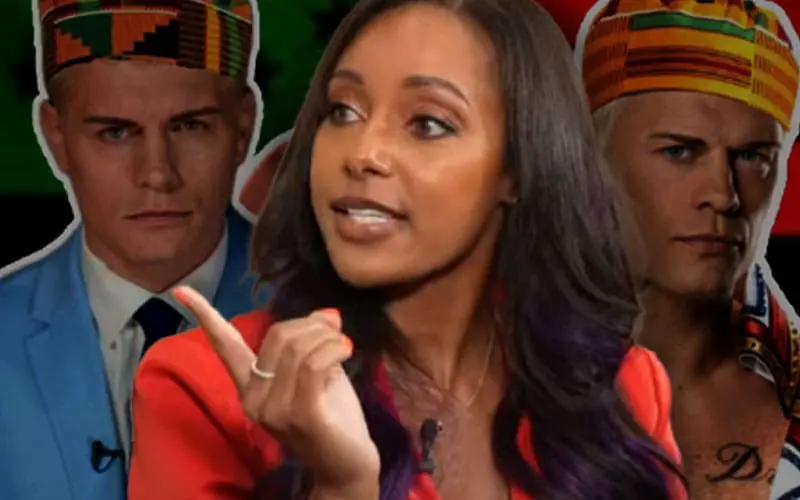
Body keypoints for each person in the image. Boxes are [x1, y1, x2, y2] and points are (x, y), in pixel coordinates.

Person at [129, 0, 687, 498]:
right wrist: (341, 488)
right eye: (342, 111)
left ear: (518, 168)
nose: (362, 153)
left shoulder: (624, 388)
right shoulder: (201, 387)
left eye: (427, 123)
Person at [0, 1, 263, 499]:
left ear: (243, 127)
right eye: (115, 133)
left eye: (190, 126)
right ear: (57, 137)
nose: (157, 174)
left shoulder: (340, 322)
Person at [577, 0, 800, 498]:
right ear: (593, 163)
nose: (723, 193)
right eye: (679, 151)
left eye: (752, 157)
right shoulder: (492, 380)